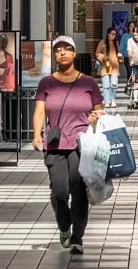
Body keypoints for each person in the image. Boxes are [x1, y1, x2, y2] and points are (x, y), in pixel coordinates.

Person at [32, 36, 103, 255]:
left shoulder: (88, 82)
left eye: (67, 49)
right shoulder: (47, 83)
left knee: (79, 191)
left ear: (74, 54)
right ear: (54, 55)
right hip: (54, 144)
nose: (62, 53)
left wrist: (94, 118)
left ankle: (77, 238)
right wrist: (36, 135)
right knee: (59, 192)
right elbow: (40, 111)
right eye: (58, 50)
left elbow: (99, 111)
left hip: (81, 145)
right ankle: (64, 226)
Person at [95, 27, 123, 108]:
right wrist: (103, 57)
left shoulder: (116, 43)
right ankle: (107, 101)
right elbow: (97, 53)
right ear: (108, 34)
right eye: (112, 34)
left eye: (115, 34)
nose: (114, 36)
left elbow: (119, 56)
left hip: (114, 66)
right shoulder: (102, 42)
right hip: (105, 66)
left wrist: (120, 56)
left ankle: (113, 99)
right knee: (106, 85)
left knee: (114, 84)